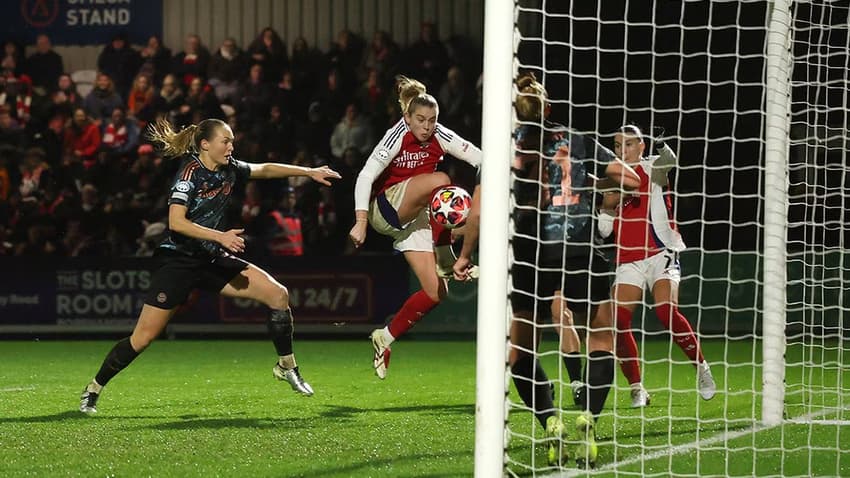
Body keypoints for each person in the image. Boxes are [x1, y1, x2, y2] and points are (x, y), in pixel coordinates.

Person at [78, 117, 341, 413]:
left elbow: (264, 169)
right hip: (180, 261)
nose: (231, 146)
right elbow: (176, 223)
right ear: (205, 145)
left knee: (278, 295)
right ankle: (94, 388)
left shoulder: (229, 169)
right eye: (225, 141)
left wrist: (308, 172)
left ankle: (286, 366)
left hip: (211, 258)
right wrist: (221, 237)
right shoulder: (189, 175)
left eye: (232, 141)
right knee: (143, 338)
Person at [497, 73, 617, 467]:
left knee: (522, 351)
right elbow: (628, 179)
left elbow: (481, 207)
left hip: (533, 250)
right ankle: (588, 419)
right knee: (600, 336)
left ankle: (550, 423)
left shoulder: (506, 146)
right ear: (548, 107)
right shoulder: (578, 140)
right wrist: (593, 187)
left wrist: (463, 254)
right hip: (582, 245)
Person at [348, 76, 481, 380]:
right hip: (386, 210)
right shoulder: (396, 136)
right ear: (407, 117)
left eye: (432, 120)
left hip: (415, 217)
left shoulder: (441, 135)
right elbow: (365, 177)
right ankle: (447, 259)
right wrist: (361, 221)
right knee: (442, 183)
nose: (427, 126)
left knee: (436, 293)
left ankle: (385, 336)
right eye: (420, 119)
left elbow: (479, 158)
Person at [598, 124, 716, 408]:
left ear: (641, 146)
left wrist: (662, 145)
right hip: (628, 259)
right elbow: (603, 231)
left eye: (628, 144)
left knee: (666, 312)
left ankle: (701, 367)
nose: (621, 150)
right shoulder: (613, 178)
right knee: (618, 321)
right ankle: (637, 388)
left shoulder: (653, 167)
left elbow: (670, 160)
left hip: (660, 252)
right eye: (616, 145)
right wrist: (608, 205)